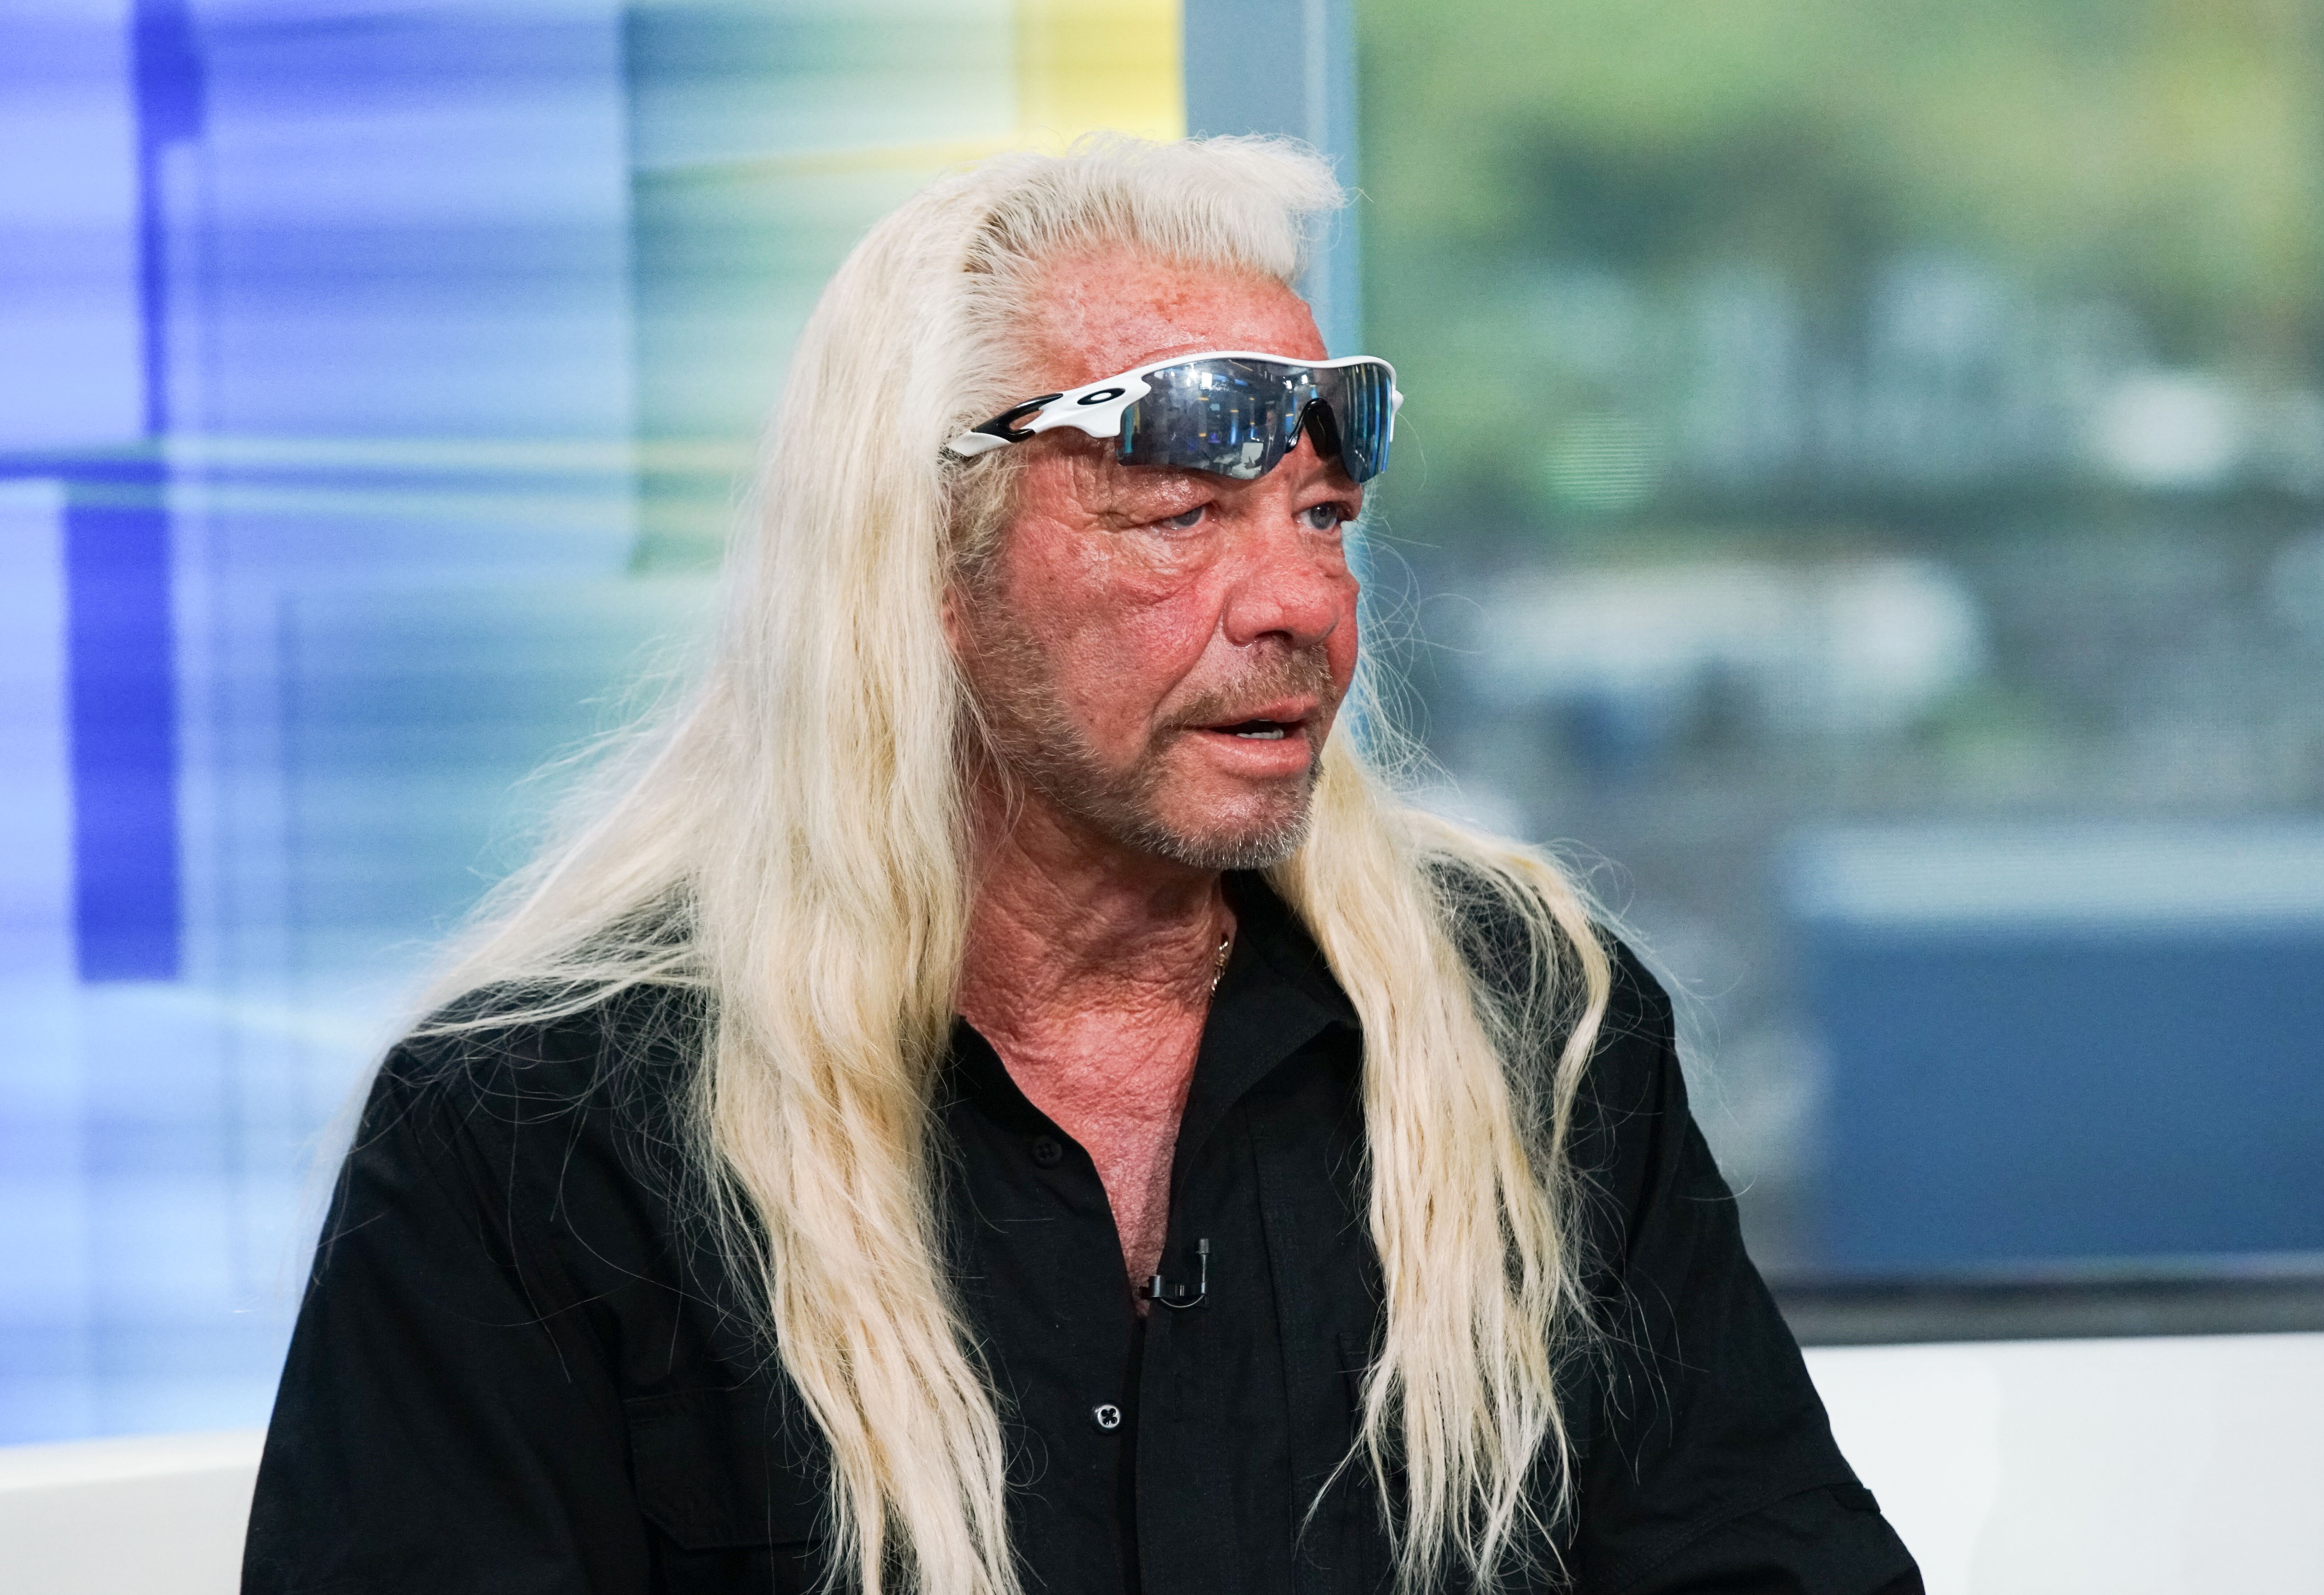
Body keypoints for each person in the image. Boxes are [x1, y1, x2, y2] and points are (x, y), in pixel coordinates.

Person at [242, 137, 1920, 1595]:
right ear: (928, 559)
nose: (1298, 605)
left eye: (1322, 516)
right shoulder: (540, 1133)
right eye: (1181, 516)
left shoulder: (1530, 1033)